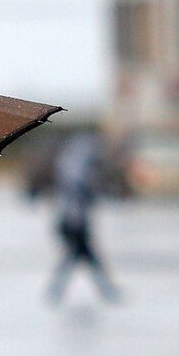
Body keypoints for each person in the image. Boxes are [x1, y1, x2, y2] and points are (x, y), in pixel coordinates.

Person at [46, 129, 119, 304]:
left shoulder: (72, 164)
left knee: (77, 257)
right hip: (73, 222)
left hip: (75, 221)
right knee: (83, 257)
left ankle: (56, 291)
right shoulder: (75, 167)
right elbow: (81, 192)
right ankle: (107, 291)